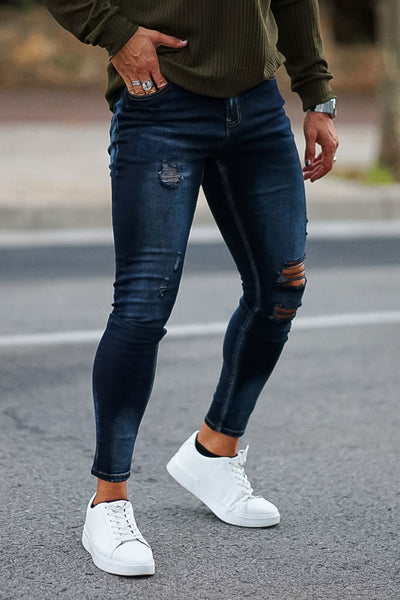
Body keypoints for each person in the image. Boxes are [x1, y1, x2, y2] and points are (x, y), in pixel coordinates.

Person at [45, 0, 339, 577]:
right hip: (161, 102)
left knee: (281, 289)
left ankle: (213, 451)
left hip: (256, 106)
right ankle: (107, 502)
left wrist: (317, 94)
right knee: (142, 306)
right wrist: (115, 32)